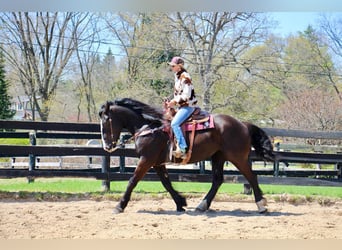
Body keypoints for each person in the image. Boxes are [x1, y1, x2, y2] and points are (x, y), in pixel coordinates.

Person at [167, 56, 198, 159]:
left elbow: (187, 95)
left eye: (173, 66)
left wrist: (174, 101)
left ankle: (183, 148)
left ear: (179, 66)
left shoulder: (185, 77)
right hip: (182, 106)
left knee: (175, 123)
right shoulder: (178, 76)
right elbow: (179, 94)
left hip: (188, 106)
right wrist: (171, 102)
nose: (171, 67)